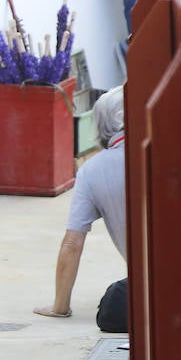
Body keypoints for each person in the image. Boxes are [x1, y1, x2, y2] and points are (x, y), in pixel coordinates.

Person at [33, 87, 128, 320]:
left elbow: (72, 243)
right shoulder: (170, 150)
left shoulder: (92, 171)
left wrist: (60, 306)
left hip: (150, 282)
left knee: (111, 308)